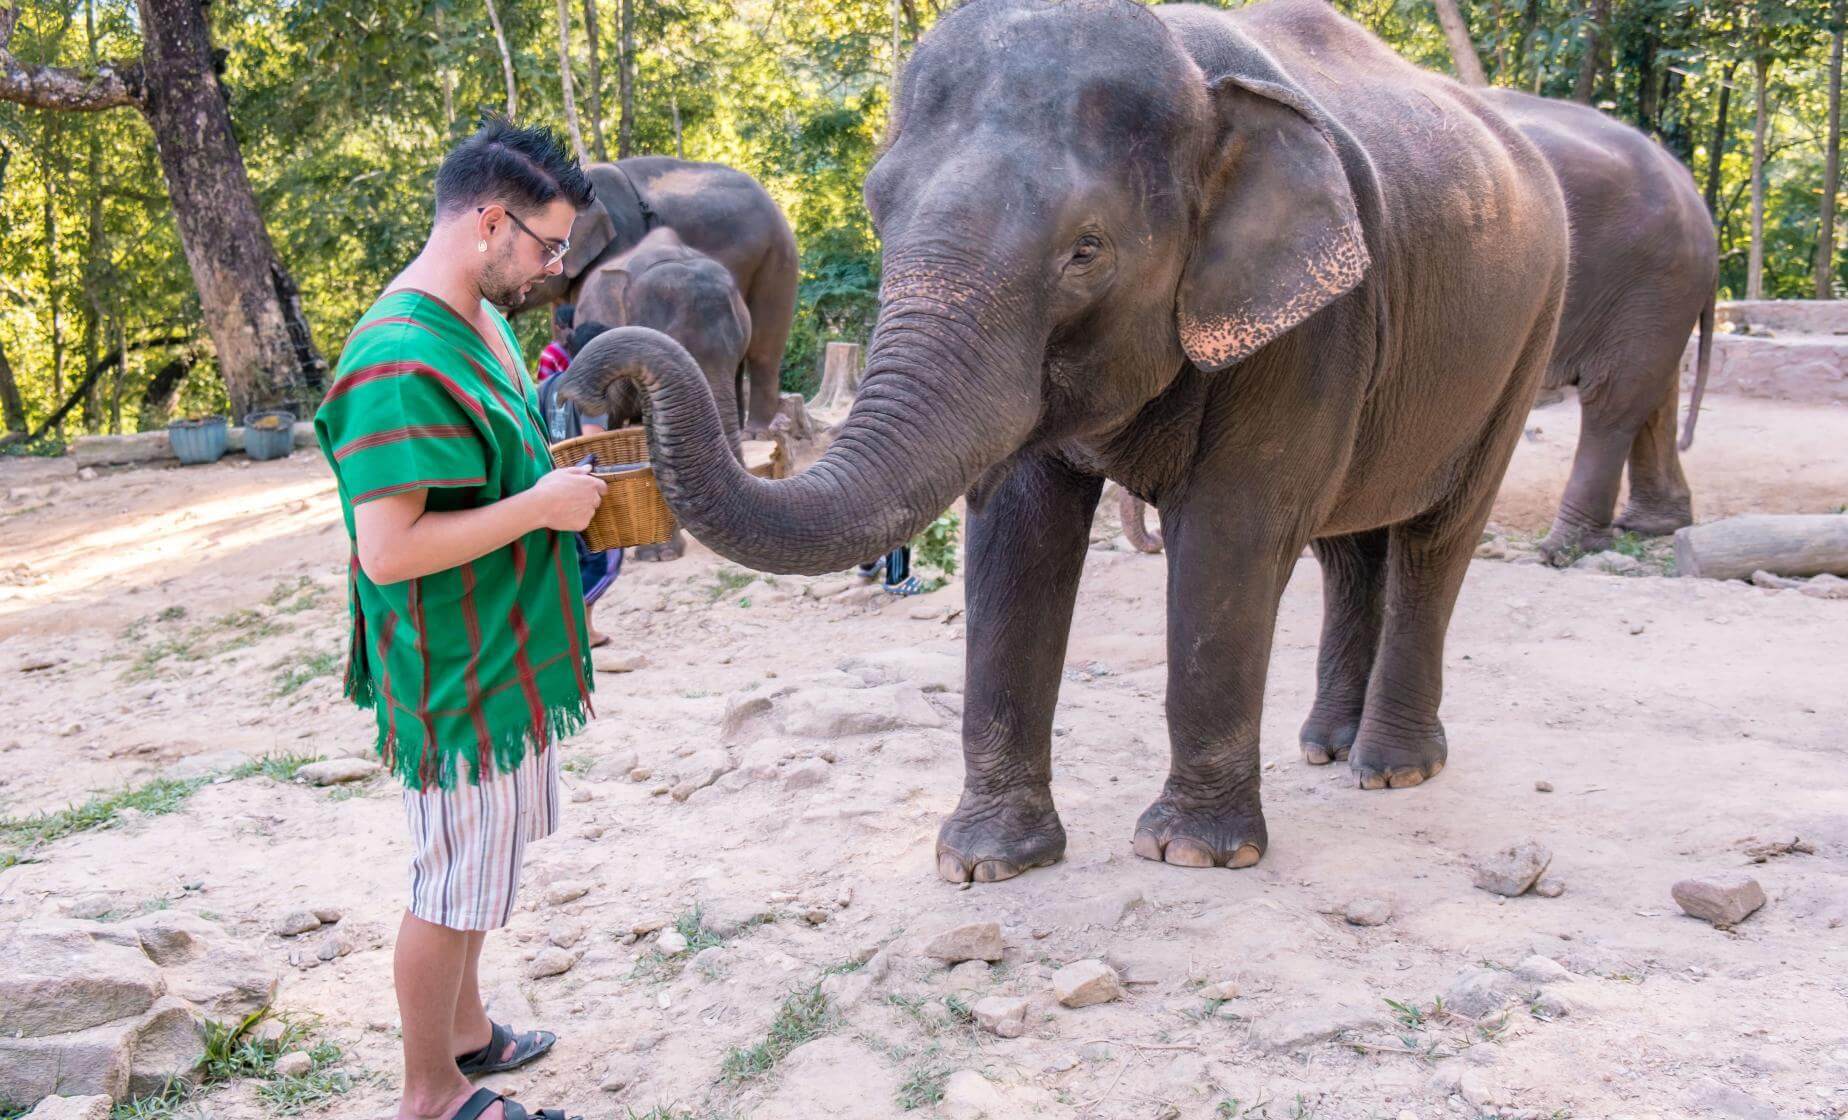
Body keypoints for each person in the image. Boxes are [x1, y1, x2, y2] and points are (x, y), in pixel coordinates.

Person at [312, 116, 603, 1120]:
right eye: (549, 243)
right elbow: (386, 550)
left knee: (485, 864)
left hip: (500, 646)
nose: (556, 266)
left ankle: (470, 1033)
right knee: (448, 883)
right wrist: (541, 509)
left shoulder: (475, 313)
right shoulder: (396, 356)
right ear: (490, 222)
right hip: (454, 666)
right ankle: (429, 1094)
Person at [537, 320, 622, 647]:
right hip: (584, 490)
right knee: (605, 561)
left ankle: (584, 629)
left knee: (572, 561)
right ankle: (565, 623)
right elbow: (593, 443)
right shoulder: (592, 393)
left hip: (551, 485)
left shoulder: (548, 385)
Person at [537, 303, 574, 380]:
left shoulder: (582, 345)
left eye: (571, 326)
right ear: (557, 327)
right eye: (563, 327)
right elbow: (544, 385)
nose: (569, 331)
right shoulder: (550, 353)